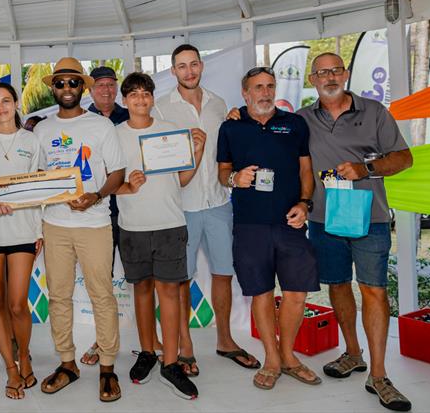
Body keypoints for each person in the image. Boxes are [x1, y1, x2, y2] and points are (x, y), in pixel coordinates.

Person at [297, 53, 413, 412]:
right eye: (322, 72)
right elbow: (268, 128)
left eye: (335, 70)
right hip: (324, 220)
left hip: (370, 218)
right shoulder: (302, 119)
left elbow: (404, 158)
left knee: (374, 291)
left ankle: (378, 375)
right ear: (313, 79)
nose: (329, 77)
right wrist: (237, 115)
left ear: (345, 74)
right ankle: (353, 353)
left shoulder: (374, 111)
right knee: (337, 286)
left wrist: (366, 168)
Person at [154, 44, 260, 376]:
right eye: (182, 66)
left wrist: (235, 120)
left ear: (201, 66)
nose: (189, 71)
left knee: (223, 274)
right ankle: (185, 346)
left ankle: (225, 340)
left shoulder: (219, 104)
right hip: (181, 207)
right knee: (181, 280)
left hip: (219, 202)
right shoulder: (160, 108)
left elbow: (228, 149)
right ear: (173, 71)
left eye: (193, 64)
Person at [217, 66, 320, 391]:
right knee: (261, 292)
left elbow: (306, 170)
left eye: (270, 86)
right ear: (245, 93)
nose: (265, 92)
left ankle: (288, 357)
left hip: (289, 222)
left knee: (296, 293)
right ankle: (272, 359)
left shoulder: (295, 124)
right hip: (249, 225)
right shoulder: (230, 127)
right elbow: (223, 173)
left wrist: (305, 203)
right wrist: (235, 179)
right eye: (258, 87)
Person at [33, 57, 126, 402]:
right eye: (60, 83)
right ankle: (67, 363)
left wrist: (96, 196)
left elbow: (117, 173)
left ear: (83, 88)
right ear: (53, 88)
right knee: (58, 296)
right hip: (55, 224)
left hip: (95, 223)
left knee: (102, 295)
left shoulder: (101, 126)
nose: (67, 88)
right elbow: (37, 178)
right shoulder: (42, 130)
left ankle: (107, 367)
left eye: (74, 82)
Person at [113, 72, 202, 400]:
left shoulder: (169, 131)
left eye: (146, 93)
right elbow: (107, 184)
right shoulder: (114, 136)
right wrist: (128, 186)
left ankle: (171, 362)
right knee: (142, 291)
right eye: (134, 94)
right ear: (125, 100)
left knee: (170, 292)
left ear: (152, 98)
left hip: (169, 223)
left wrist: (197, 150)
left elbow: (183, 179)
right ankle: (148, 352)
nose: (141, 99)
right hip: (133, 226)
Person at [0, 82, 42, 400]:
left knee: (17, 303)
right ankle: (11, 368)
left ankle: (24, 354)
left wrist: (39, 230)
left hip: (23, 230)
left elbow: (39, 185)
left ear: (16, 103)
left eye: (6, 101)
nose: (1, 107)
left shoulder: (32, 140)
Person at [80, 66, 132, 366]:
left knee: (142, 278)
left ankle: (150, 340)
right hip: (98, 213)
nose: (106, 90)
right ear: (90, 90)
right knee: (102, 281)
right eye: (100, 85)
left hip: (132, 207)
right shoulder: (80, 120)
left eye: (111, 84)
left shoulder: (131, 116)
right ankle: (102, 340)